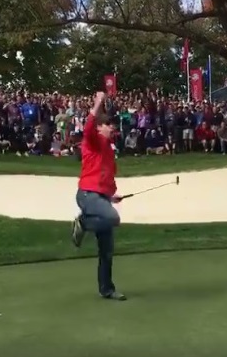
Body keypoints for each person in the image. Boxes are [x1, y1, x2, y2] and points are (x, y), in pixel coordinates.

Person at [71, 91, 126, 301]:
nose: (111, 127)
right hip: (87, 195)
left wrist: (112, 196)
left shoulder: (108, 150)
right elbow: (87, 128)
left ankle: (107, 289)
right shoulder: (93, 142)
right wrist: (97, 102)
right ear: (99, 128)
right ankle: (84, 222)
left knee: (107, 250)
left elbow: (107, 177)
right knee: (112, 218)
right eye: (107, 125)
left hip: (101, 197)